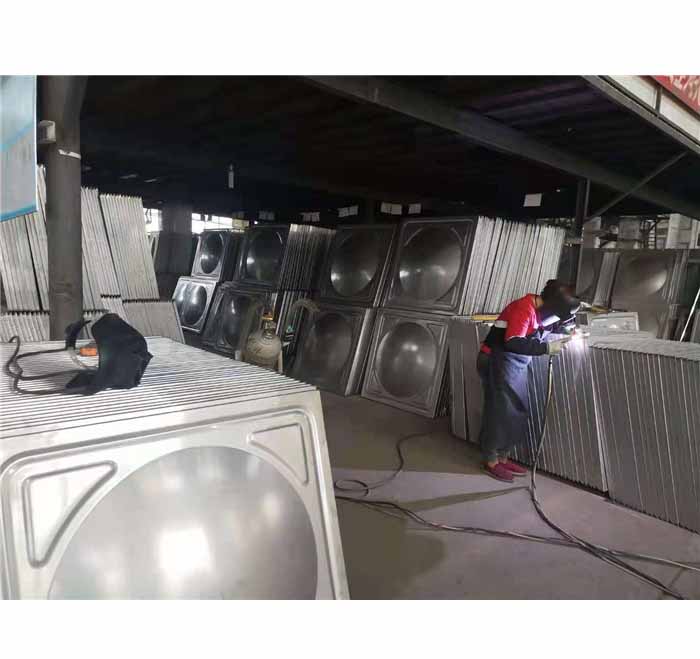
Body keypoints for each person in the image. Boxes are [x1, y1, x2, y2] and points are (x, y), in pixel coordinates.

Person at [477, 280, 581, 482]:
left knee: (517, 410)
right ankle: (490, 460)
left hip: (515, 364)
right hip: (497, 360)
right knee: (500, 411)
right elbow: (513, 341)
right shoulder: (523, 308)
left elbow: (554, 324)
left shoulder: (547, 310)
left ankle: (502, 457)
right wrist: (546, 348)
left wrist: (570, 329)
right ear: (550, 304)